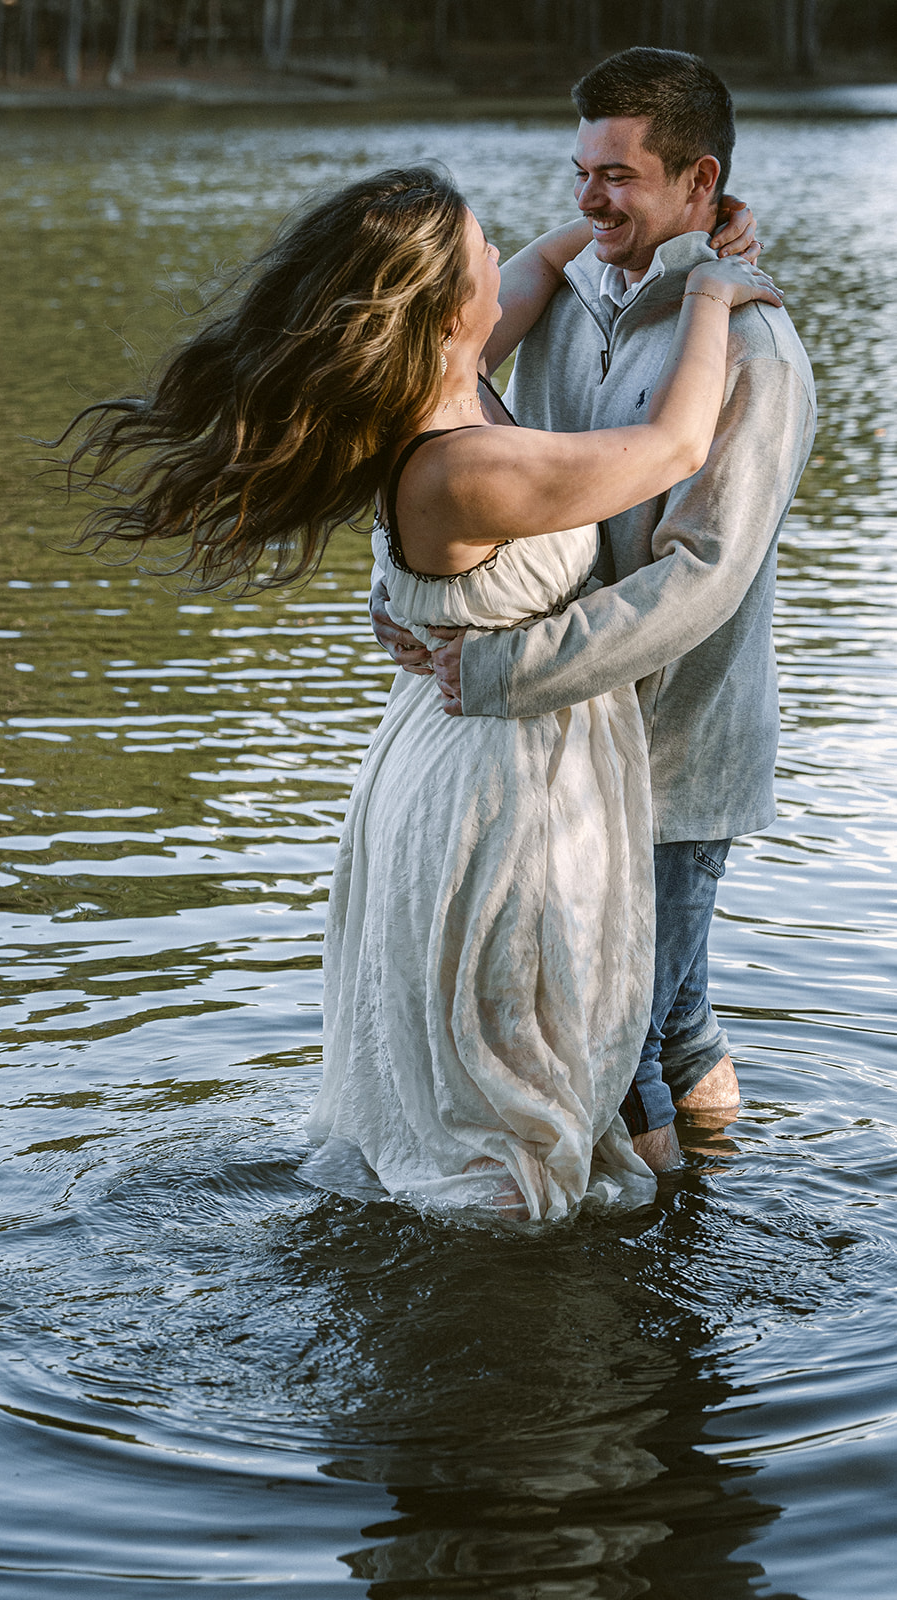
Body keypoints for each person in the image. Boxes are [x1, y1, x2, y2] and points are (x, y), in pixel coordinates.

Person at [63, 165, 781, 1222]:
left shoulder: (439, 377)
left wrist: (671, 227)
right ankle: (498, 1300)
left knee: (506, 1044)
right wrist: (714, 291)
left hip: (460, 748)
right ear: (450, 300)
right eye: (481, 244)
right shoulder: (467, 461)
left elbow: (546, 259)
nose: (513, 254)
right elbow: (673, 447)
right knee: (502, 1081)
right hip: (495, 784)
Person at [373, 49, 818, 1175]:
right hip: (565, 753)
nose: (585, 198)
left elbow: (699, 581)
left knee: (614, 1045)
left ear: (696, 180)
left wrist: (499, 671)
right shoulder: (571, 307)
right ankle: (711, 1191)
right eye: (579, 170)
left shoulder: (751, 351)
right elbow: (459, 459)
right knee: (672, 1022)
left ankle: (661, 1279)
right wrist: (417, 596)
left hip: (668, 754)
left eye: (616, 176)